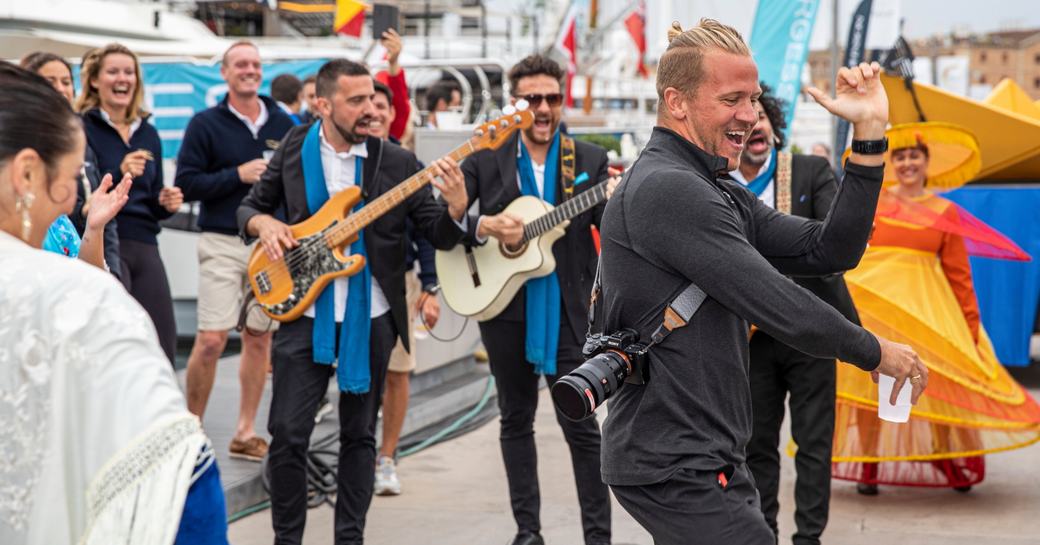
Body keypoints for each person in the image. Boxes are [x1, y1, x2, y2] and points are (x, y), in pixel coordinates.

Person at [594, 19, 927, 545]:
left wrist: (868, 136)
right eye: (732, 99)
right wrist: (875, 351)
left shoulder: (712, 186)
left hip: (705, 457)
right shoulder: (670, 188)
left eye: (753, 99)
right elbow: (778, 302)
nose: (750, 116)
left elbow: (831, 250)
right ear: (676, 102)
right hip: (677, 462)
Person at [237, 58, 471, 545]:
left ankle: (350, 538)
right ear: (323, 104)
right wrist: (266, 226)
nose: (371, 110)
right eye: (357, 100)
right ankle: (287, 539)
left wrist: (456, 205)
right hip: (303, 310)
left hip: (373, 315)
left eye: (373, 98)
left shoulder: (397, 162)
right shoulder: (294, 149)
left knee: (360, 436)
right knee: (287, 435)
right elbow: (251, 208)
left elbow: (436, 233)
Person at [0, 60, 227, 545]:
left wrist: (97, 225)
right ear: (26, 173)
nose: (68, 199)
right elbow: (181, 483)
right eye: (68, 178)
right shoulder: (87, 301)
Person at [830, 122, 1040, 494]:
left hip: (929, 316)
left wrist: (970, 327)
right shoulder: (875, 203)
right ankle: (867, 466)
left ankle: (948, 460)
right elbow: (852, 253)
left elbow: (959, 275)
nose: (908, 163)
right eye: (901, 156)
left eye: (915, 156)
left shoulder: (946, 211)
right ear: (891, 163)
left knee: (940, 386)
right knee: (868, 388)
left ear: (927, 163)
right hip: (877, 311)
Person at [458, 54, 616, 545]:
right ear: (516, 103)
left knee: (583, 428)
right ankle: (528, 531)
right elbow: (443, 223)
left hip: (571, 315)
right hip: (505, 311)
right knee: (515, 419)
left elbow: (612, 236)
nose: (542, 108)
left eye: (551, 98)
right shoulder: (485, 158)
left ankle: (598, 537)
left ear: (561, 99)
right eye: (531, 99)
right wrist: (481, 223)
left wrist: (620, 199)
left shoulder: (587, 160)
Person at [730, 85, 860, 545]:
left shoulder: (809, 170)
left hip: (811, 332)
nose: (757, 124)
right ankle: (762, 533)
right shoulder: (717, 187)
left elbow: (832, 241)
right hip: (747, 340)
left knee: (813, 445)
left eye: (764, 116)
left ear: (774, 127)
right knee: (755, 446)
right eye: (748, 119)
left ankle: (809, 539)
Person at [175, 40, 296, 462]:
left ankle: (245, 432)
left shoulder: (285, 123)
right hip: (222, 241)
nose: (250, 70)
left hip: (271, 247)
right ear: (224, 72)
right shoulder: (204, 124)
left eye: (256, 64)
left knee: (260, 339)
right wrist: (237, 175)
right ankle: (192, 428)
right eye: (241, 64)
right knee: (209, 339)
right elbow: (187, 184)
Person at [76, 43, 183, 364]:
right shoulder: (81, 127)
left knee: (163, 340)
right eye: (113, 72)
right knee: (111, 339)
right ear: (94, 80)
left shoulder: (148, 132)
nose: (122, 78)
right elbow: (81, 194)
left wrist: (166, 202)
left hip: (145, 242)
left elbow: (151, 199)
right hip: (105, 242)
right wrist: (119, 170)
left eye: (129, 72)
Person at [366, 80, 441, 496]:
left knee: (397, 372)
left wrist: (431, 286)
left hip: (399, 280)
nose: (375, 112)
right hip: (345, 282)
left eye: (382, 105)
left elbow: (427, 229)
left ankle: (386, 458)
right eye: (366, 104)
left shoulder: (404, 162)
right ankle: (355, 453)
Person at [21, 51, 124, 277]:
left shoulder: (61, 227)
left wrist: (94, 226)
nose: (60, 88)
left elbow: (91, 276)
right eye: (50, 81)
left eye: (66, 81)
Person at [374, 28, 413, 142]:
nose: (374, 113)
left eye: (380, 106)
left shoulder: (400, 155)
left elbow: (400, 106)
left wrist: (393, 62)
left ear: (391, 113)